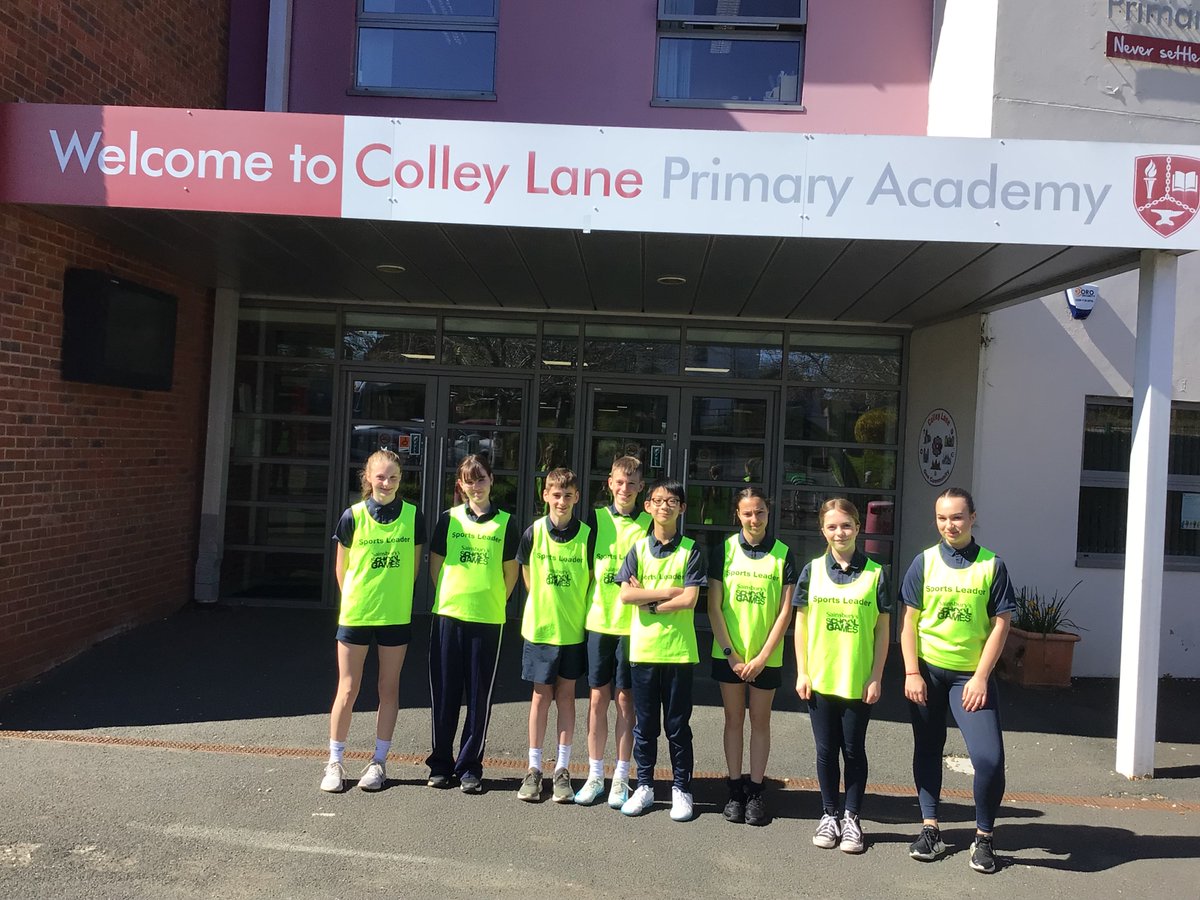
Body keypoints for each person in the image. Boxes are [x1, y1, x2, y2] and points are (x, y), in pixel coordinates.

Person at [900, 487, 1014, 874]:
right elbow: (909, 625)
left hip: (970, 677)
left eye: (957, 517)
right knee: (928, 748)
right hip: (928, 673)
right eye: (942, 518)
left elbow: (1001, 624)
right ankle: (931, 828)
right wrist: (912, 671)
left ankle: (984, 837)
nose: (949, 525)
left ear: (973, 517)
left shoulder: (992, 565)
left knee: (989, 759)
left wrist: (981, 676)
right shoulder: (924, 562)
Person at [321, 449, 425, 793]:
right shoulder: (351, 516)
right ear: (367, 477)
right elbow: (342, 568)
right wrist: (357, 599)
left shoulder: (413, 516)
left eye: (393, 477)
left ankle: (378, 762)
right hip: (357, 614)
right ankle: (335, 761)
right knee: (347, 689)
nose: (386, 482)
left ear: (400, 480)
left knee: (388, 689)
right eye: (380, 476)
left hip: (394, 615)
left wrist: (391, 596)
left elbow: (412, 568)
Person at [793, 499, 890, 852]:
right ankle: (829, 815)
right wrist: (802, 671)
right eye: (832, 526)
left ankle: (852, 818)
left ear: (858, 528)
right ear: (823, 530)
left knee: (853, 751)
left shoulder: (876, 573)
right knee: (824, 751)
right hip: (819, 679)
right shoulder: (811, 571)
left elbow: (883, 632)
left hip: (857, 680)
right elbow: (800, 626)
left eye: (846, 525)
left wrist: (876, 676)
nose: (840, 532)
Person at [426, 454, 520, 794]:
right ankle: (440, 763)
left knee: (480, 697)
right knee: (445, 694)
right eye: (469, 480)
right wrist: (454, 596)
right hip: (449, 616)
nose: (475, 486)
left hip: (488, 619)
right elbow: (436, 566)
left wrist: (491, 598)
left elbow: (511, 573)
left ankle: (469, 766)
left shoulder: (506, 523)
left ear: (491, 481)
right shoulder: (448, 520)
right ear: (460, 485)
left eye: (481, 479)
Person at [616, 478, 704, 822]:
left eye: (672, 501)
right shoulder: (637, 549)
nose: (664, 506)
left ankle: (682, 789)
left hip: (679, 653)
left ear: (681, 508)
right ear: (648, 506)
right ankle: (646, 786)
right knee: (645, 726)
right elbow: (625, 595)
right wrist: (669, 592)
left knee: (678, 726)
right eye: (657, 500)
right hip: (644, 651)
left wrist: (650, 599)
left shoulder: (692, 549)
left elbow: (691, 599)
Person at [708, 487, 796, 826]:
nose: (754, 519)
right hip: (730, 654)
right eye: (747, 513)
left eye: (759, 512)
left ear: (768, 513)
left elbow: (784, 612)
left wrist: (761, 657)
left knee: (760, 722)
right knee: (733, 720)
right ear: (738, 515)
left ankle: (757, 790)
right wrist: (731, 654)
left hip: (766, 657)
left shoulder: (783, 554)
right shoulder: (724, 551)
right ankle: (734, 789)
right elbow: (714, 607)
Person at [515, 468, 595, 804]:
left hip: (573, 631)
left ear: (577, 497)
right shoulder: (533, 533)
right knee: (539, 698)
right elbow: (528, 576)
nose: (561, 501)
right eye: (555, 495)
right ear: (545, 495)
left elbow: (591, 578)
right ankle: (534, 769)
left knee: (566, 697)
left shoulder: (588, 535)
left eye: (568, 495)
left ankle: (562, 770)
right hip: (540, 630)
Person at [575, 455, 651, 809]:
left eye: (632, 483)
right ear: (609, 482)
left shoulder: (650, 523)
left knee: (625, 701)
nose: (625, 489)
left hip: (632, 627)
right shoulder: (594, 519)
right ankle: (595, 774)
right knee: (596, 700)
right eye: (620, 482)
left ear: (641, 488)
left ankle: (621, 775)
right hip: (598, 622)